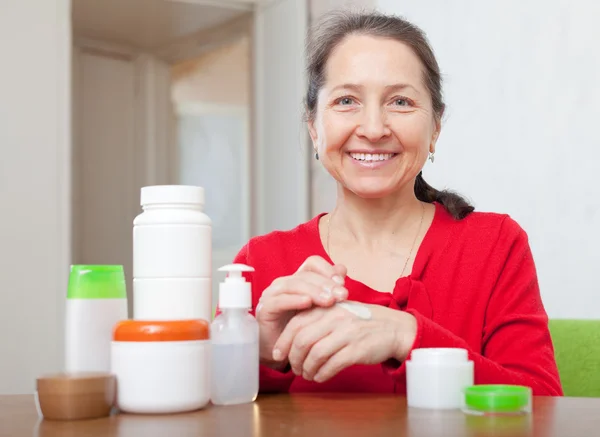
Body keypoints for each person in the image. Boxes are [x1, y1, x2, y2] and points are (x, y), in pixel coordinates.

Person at [233, 9, 563, 396]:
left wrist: (407, 335)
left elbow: (541, 408)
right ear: (313, 128)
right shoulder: (260, 263)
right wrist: (257, 352)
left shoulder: (495, 245)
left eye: (401, 102)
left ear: (435, 127)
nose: (373, 129)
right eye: (346, 101)